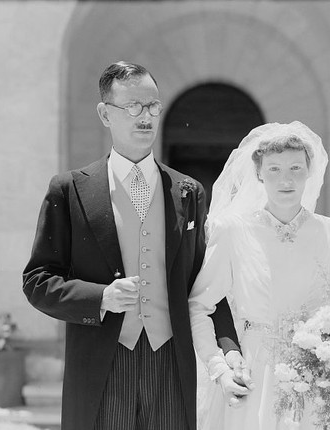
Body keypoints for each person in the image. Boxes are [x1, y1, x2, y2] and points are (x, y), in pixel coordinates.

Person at [23, 61, 247, 430]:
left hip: (172, 364)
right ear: (105, 114)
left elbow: (208, 285)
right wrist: (100, 297)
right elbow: (37, 280)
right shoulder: (69, 190)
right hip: (103, 364)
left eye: (153, 106)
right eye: (132, 107)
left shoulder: (188, 192)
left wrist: (230, 347)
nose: (145, 117)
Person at [189, 121, 330, 430]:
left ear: (310, 171)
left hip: (312, 377)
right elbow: (199, 306)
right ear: (259, 173)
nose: (286, 179)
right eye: (274, 169)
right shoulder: (232, 230)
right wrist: (219, 368)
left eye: (295, 168)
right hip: (251, 370)